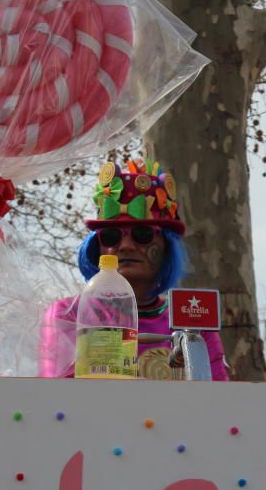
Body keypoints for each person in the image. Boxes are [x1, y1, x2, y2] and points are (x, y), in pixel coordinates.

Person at [39, 158, 229, 381]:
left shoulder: (193, 321)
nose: (126, 246)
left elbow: (216, 400)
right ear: (96, 248)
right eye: (111, 236)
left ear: (167, 247)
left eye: (142, 234)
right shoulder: (70, 314)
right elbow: (57, 400)